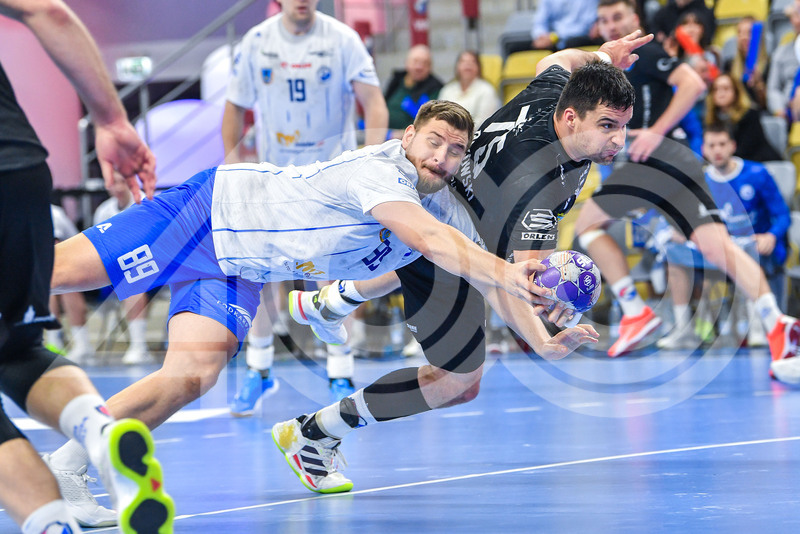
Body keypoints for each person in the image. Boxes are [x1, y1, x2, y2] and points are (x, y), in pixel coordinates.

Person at [47, 100, 600, 513]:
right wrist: (507, 269)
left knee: (191, 377)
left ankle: (66, 468)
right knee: (51, 273)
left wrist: (543, 341)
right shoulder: (381, 172)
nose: (441, 157)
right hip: (208, 212)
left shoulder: (445, 207)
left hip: (239, 268)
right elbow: (429, 241)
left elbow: (489, 280)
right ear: (409, 136)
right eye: (433, 141)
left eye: (456, 151)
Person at [274, 33, 649, 494]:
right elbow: (516, 282)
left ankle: (332, 301)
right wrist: (547, 335)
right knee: (458, 381)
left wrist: (602, 56)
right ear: (572, 118)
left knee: (458, 358)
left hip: (439, 207)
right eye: (608, 125)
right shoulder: (536, 186)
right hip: (447, 249)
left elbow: (555, 59)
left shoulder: (554, 95)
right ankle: (313, 433)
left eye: (624, 126)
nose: (619, 139)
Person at [0, 0, 173, 532]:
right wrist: (112, 119)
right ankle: (101, 436)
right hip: (17, 167)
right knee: (18, 350)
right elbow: (47, 11)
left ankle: (50, 522)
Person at [572, 0, 800, 379]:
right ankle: (775, 321)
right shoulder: (611, 69)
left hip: (658, 161)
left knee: (588, 226)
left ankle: (635, 312)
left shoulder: (644, 53)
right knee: (717, 247)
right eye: (604, 20)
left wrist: (655, 132)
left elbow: (693, 84)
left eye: (618, 17)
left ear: (635, 19)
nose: (611, 25)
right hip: (676, 164)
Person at [221, 0, 389, 410]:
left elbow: (375, 103)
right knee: (261, 272)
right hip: (274, 178)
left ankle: (340, 371)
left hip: (332, 177)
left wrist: (371, 162)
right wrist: (233, 165)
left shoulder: (343, 39)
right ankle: (259, 369)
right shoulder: (256, 41)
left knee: (329, 274)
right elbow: (234, 108)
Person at [657, 124, 791, 350]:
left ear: (732, 146)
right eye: (711, 145)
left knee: (748, 251)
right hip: (716, 249)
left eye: (722, 144)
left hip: (754, 245)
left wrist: (771, 235)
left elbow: (783, 215)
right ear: (704, 149)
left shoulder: (757, 174)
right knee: (674, 255)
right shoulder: (698, 180)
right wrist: (680, 231)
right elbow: (684, 219)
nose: (717, 150)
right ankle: (684, 330)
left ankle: (758, 329)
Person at [93, 172, 156, 364]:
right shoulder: (103, 211)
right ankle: (81, 347)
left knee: (132, 280)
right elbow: (98, 249)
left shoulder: (145, 204)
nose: (118, 187)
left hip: (153, 271)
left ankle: (139, 348)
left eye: (123, 182)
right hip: (114, 273)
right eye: (114, 183)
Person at [47, 205, 92, 364]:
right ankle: (53, 341)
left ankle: (82, 344)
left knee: (53, 282)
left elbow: (53, 252)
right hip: (57, 272)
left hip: (87, 270)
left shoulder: (51, 213)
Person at [705, 73, 782, 162]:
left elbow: (747, 149)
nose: (721, 93)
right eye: (716, 89)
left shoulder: (750, 114)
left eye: (726, 88)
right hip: (726, 164)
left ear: (736, 92)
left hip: (759, 162)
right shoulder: (712, 118)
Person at [384, 44, 443, 136]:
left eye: (425, 63)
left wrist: (404, 133)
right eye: (415, 61)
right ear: (406, 63)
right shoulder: (396, 81)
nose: (419, 67)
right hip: (383, 131)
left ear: (430, 67)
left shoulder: (435, 88)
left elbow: (427, 121)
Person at [438, 50, 501, 126]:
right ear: (457, 67)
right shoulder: (447, 90)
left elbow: (483, 121)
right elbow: (440, 116)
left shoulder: (487, 90)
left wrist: (458, 130)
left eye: (472, 61)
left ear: (478, 67)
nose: (468, 64)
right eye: (463, 61)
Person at [766, 2, 800, 119]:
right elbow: (773, 88)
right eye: (796, 16)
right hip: (788, 115)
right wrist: (780, 110)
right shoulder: (781, 53)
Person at [529, 0, 602, 51]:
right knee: (527, 46)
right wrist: (541, 36)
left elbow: (585, 26)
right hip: (552, 41)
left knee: (572, 43)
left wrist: (555, 36)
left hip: (579, 39)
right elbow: (540, 22)